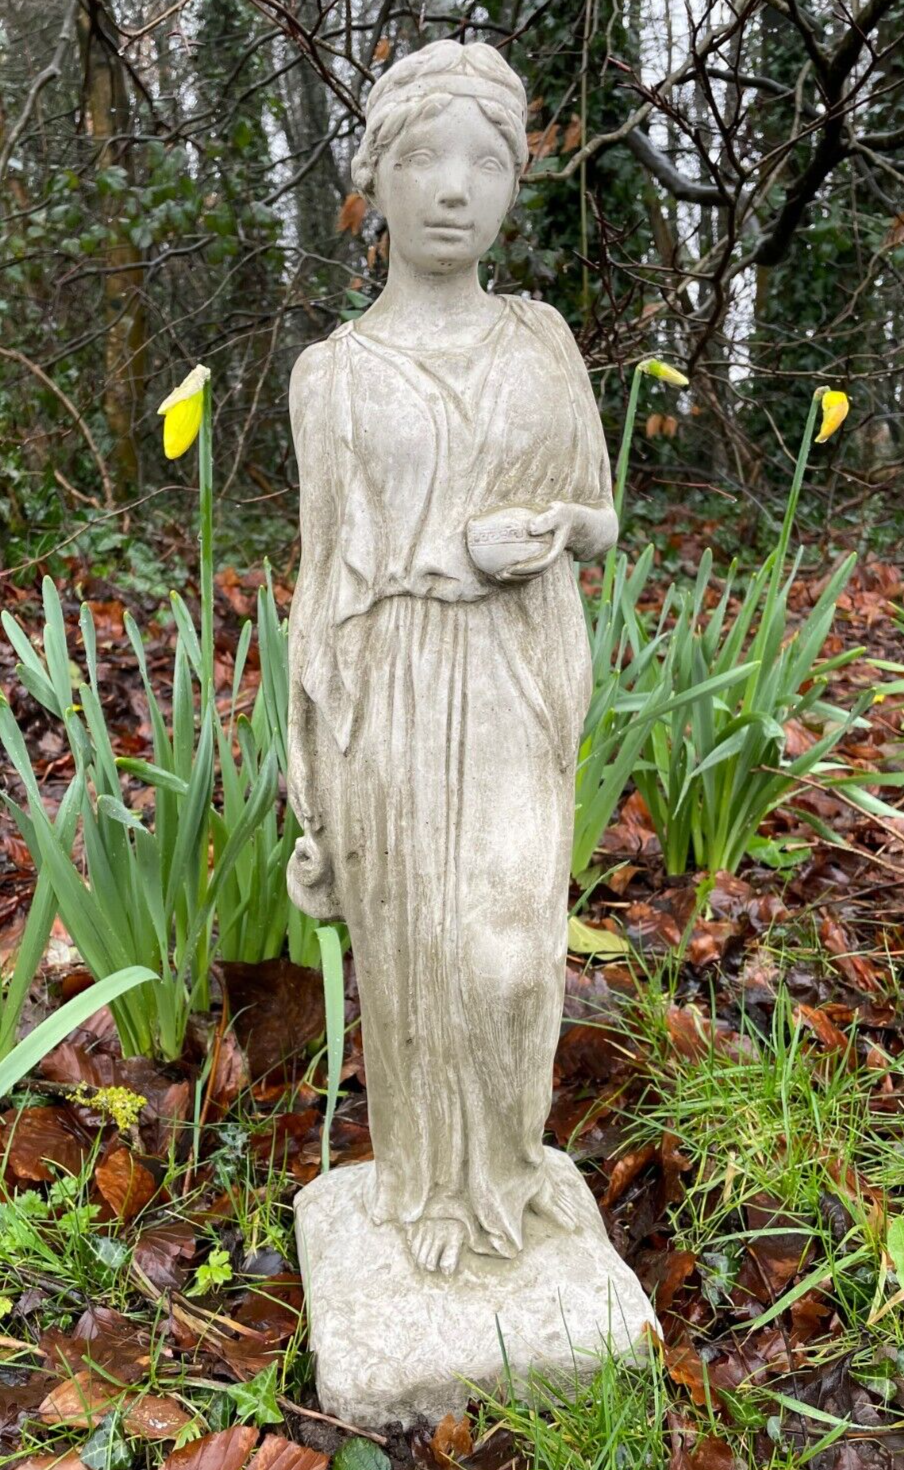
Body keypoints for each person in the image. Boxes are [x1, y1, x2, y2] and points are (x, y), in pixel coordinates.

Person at [287, 39, 618, 1278]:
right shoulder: (334, 377)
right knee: (415, 950)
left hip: (518, 673)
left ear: (512, 185)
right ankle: (429, 1188)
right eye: (424, 158)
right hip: (395, 685)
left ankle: (512, 1171)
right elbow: (320, 582)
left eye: (486, 161)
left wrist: (554, 538)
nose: (453, 188)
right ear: (376, 175)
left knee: (510, 952)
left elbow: (599, 513)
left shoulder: (543, 343)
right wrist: (311, 786)